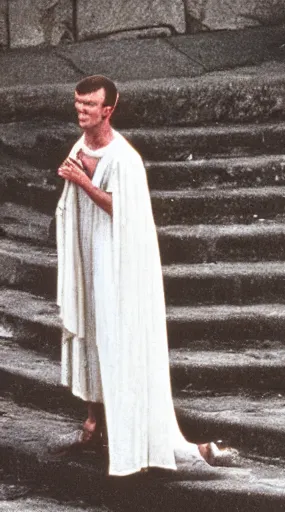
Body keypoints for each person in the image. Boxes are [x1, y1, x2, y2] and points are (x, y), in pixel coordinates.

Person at [51, 75, 233, 476]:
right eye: (77, 104)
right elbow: (73, 200)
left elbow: (127, 212)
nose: (81, 111)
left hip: (118, 264)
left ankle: (136, 441)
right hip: (91, 256)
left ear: (108, 110)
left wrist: (81, 180)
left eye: (89, 106)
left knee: (119, 341)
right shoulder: (80, 145)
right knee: (93, 336)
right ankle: (94, 423)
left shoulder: (125, 159)